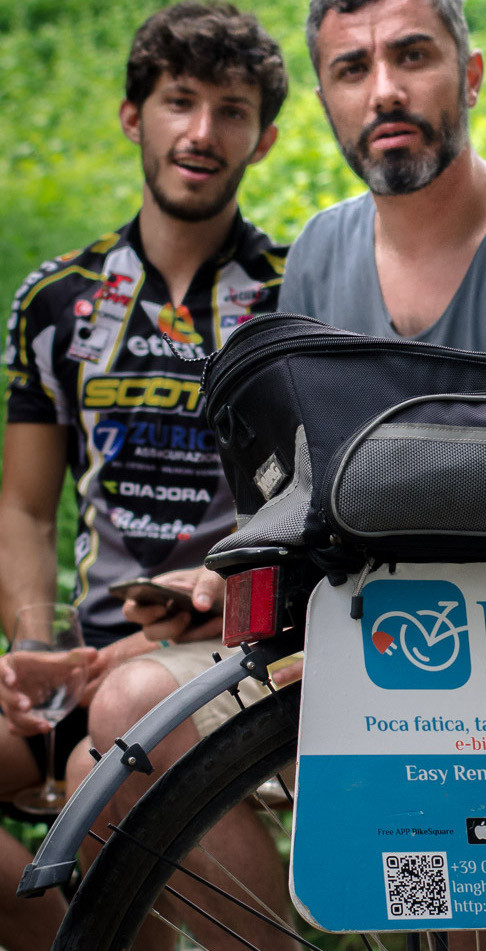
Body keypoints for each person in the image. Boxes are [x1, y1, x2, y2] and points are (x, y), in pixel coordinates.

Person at [0, 4, 296, 947]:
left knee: (113, 753)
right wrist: (29, 655)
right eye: (179, 102)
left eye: (232, 109)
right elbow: (22, 501)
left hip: (220, 653)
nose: (202, 133)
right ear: (135, 116)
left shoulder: (297, 299)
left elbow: (315, 501)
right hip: (78, 664)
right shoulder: (56, 299)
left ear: (266, 136)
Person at [278, 0, 486, 350]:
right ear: (325, 106)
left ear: (471, 78)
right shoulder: (314, 261)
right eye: (353, 70)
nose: (385, 93)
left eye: (412, 57)